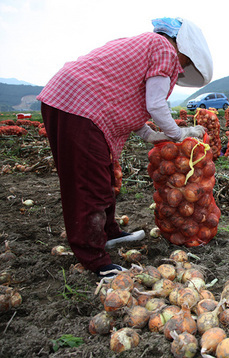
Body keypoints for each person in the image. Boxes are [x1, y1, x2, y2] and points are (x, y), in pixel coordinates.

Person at [36, 17, 212, 278]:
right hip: (77, 106)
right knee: (89, 184)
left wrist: (149, 133)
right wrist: (178, 133)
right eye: (187, 62)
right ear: (184, 47)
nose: (182, 69)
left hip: (75, 104)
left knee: (103, 175)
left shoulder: (146, 46)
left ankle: (107, 234)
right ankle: (94, 258)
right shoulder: (164, 48)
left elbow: (127, 97)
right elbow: (155, 104)